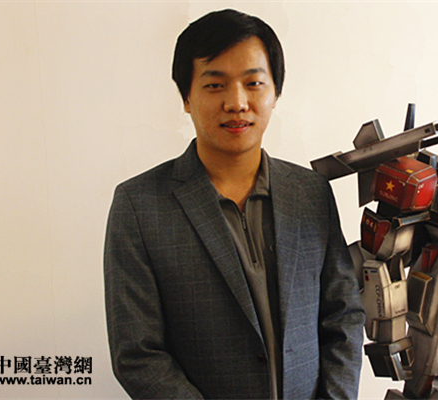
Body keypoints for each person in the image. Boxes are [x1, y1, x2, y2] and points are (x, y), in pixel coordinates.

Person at [104, 9, 364, 399]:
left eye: (253, 83)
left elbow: (343, 315)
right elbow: (138, 354)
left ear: (275, 92)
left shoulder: (311, 194)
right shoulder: (139, 206)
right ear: (186, 97)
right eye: (215, 85)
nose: (237, 102)